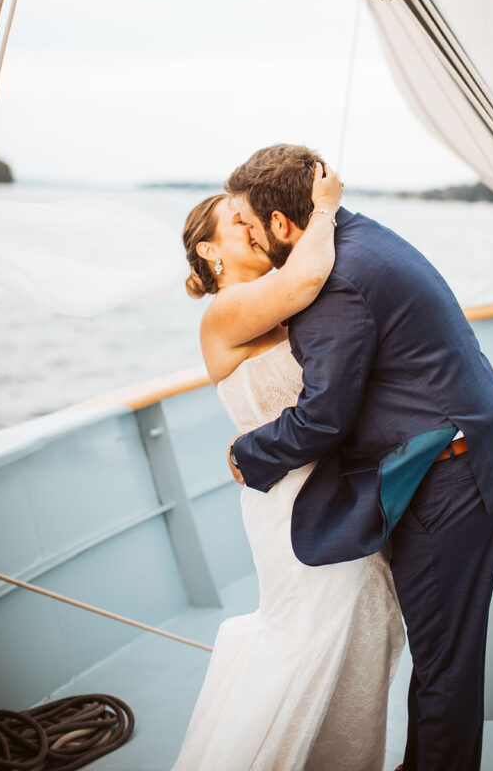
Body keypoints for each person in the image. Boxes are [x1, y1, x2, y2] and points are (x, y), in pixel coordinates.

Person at [226, 143, 493, 771]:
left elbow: (324, 415)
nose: (247, 239)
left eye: (248, 227)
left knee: (445, 662)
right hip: (464, 454)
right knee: (444, 652)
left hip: (452, 475)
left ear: (283, 226)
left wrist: (247, 452)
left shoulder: (334, 283)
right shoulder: (361, 237)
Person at [171, 162, 405, 771]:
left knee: (362, 628)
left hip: (336, 487)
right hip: (290, 498)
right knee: (309, 637)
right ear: (208, 249)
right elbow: (304, 281)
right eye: (236, 221)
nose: (250, 228)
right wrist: (324, 206)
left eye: (251, 218)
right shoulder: (227, 311)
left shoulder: (275, 302)